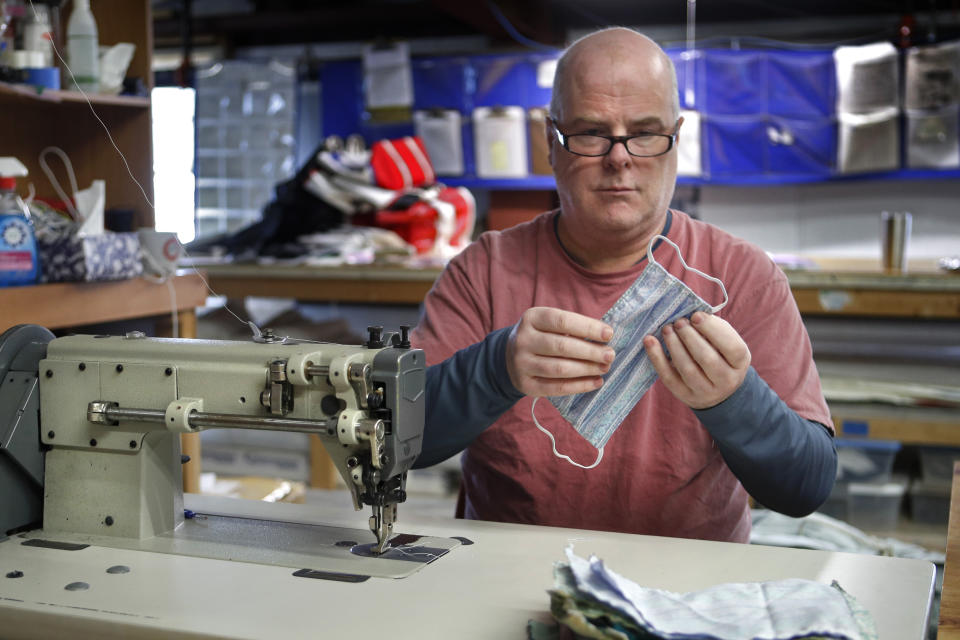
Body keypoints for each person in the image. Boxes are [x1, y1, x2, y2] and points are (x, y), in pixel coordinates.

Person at [410, 27, 836, 543]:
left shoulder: (742, 278)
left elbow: (807, 487)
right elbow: (399, 442)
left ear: (676, 138)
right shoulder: (483, 271)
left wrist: (735, 400)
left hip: (684, 593)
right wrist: (495, 369)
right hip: (510, 574)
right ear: (551, 142)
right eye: (591, 133)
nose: (620, 157)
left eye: (646, 132)